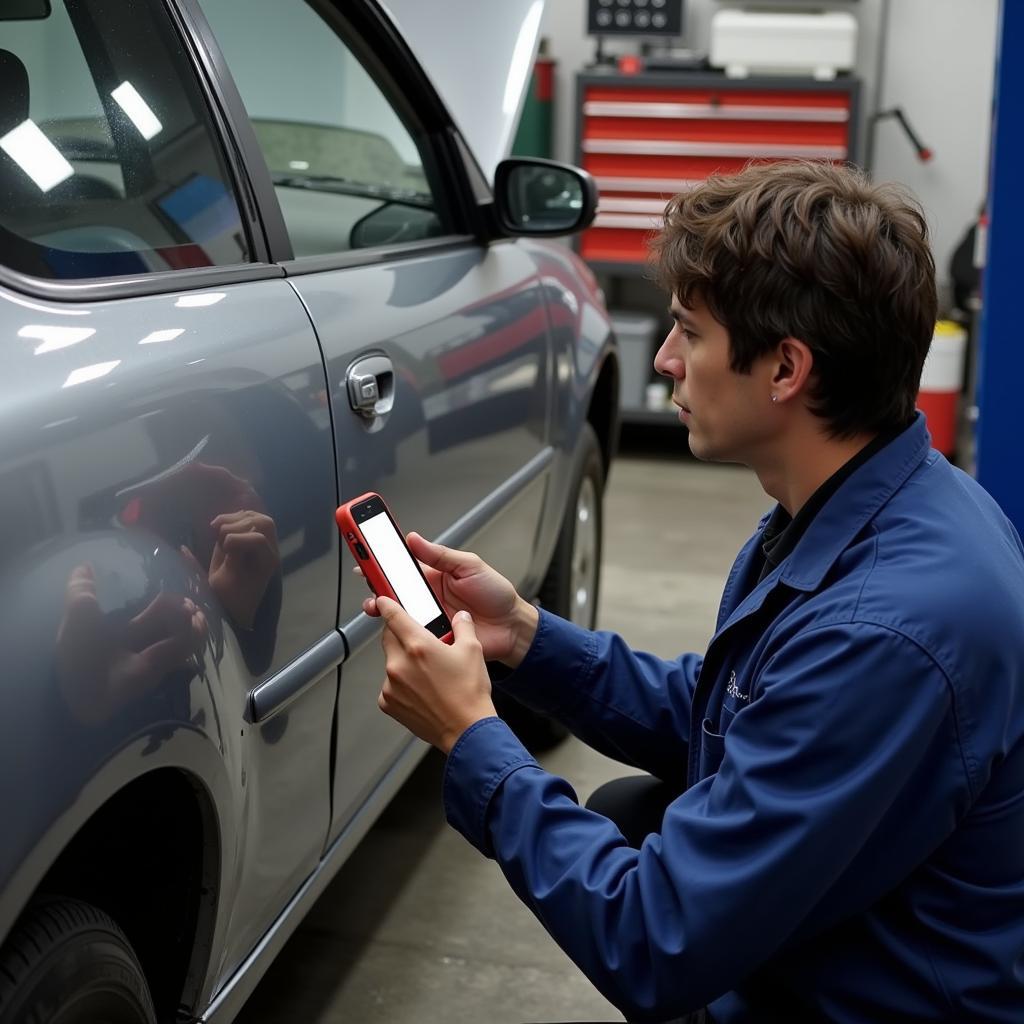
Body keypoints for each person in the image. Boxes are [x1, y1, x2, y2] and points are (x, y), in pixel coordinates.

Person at [363, 161, 1024, 1022]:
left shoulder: (887, 630)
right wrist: (524, 637)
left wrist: (473, 737)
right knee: (631, 809)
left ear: (786, 369)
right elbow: (745, 712)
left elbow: (655, 939)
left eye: (689, 333)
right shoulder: (875, 499)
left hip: (873, 997)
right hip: (841, 930)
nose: (666, 361)